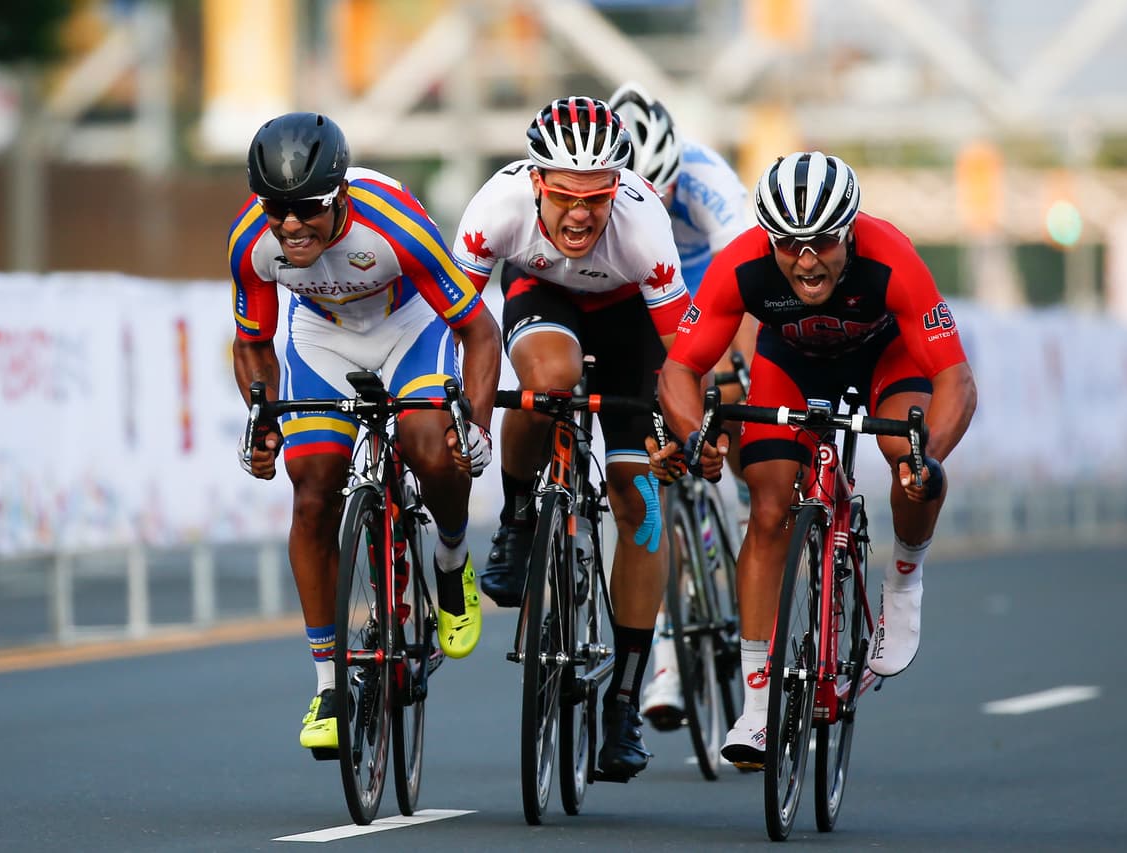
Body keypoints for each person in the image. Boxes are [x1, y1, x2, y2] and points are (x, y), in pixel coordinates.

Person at [651, 150, 978, 768]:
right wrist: (695, 436)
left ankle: (905, 583)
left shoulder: (892, 259)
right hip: (791, 365)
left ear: (849, 232)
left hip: (886, 359)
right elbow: (680, 368)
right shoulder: (742, 264)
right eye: (789, 244)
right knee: (769, 507)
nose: (806, 260)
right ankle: (755, 707)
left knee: (905, 457)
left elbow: (957, 382)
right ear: (768, 238)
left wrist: (926, 463)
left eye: (823, 243)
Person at [230, 112, 501, 753]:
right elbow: (252, 344)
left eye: (309, 209)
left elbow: (478, 330)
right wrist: (263, 416)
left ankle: (452, 558)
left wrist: (478, 425)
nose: (291, 225)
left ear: (341, 195)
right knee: (313, 486)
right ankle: (328, 684)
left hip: (408, 324)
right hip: (323, 336)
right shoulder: (251, 241)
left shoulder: (395, 225)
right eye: (277, 209)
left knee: (432, 446)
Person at [451, 96, 691, 780]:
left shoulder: (645, 225)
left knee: (639, 504)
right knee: (547, 382)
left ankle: (623, 702)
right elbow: (458, 326)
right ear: (536, 184)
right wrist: (454, 412)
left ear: (620, 186)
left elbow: (680, 353)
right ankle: (520, 517)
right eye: (564, 197)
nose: (582, 214)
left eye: (598, 197)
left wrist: (675, 430)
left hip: (630, 328)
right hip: (544, 300)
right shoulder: (497, 206)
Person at [606, 81, 757, 733]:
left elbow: (753, 286)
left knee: (737, 397)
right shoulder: (596, 196)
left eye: (660, 190)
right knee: (641, 475)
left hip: (706, 295)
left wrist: (737, 378)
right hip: (636, 302)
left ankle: (748, 511)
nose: (652, 203)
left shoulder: (706, 179)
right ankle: (661, 642)